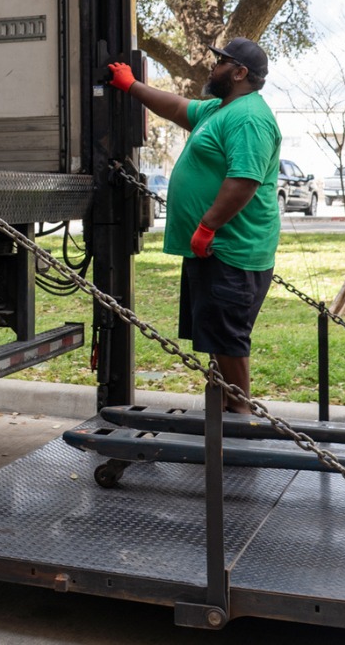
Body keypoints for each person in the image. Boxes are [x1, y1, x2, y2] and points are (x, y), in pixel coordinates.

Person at [108, 38, 280, 413]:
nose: (212, 67)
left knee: (228, 340)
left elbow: (244, 180)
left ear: (239, 73)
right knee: (219, 339)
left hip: (232, 250)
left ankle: (239, 417)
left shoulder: (248, 117)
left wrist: (207, 226)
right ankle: (223, 416)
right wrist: (131, 85)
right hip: (214, 249)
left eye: (220, 62)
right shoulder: (219, 109)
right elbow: (176, 108)